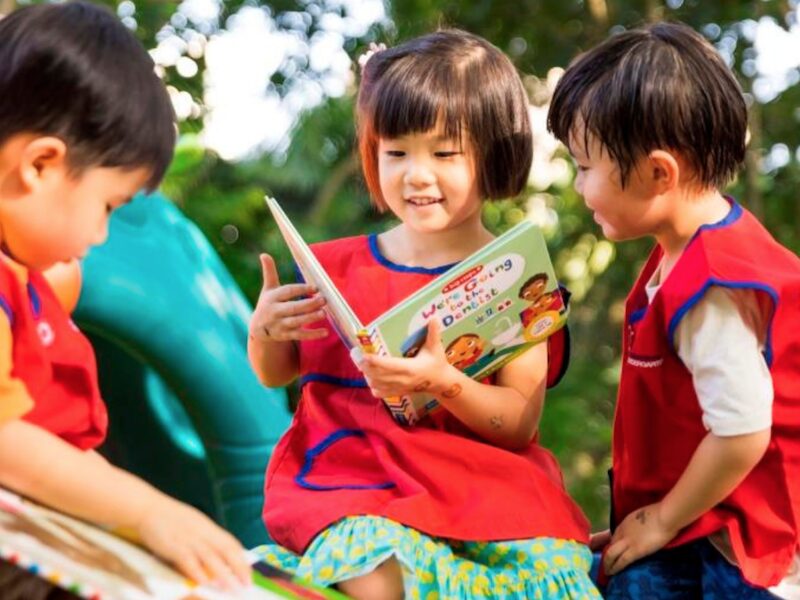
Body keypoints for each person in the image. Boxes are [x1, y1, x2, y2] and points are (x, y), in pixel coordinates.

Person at [248, 29, 600, 599]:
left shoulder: (516, 276)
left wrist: (446, 383)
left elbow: (517, 425)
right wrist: (265, 330)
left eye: (443, 153)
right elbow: (276, 372)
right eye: (396, 152)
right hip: (354, 487)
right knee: (376, 566)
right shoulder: (335, 266)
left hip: (489, 496)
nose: (416, 174)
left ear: (494, 156)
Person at [0, 2, 250, 594]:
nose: (100, 236)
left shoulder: (32, 281)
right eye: (108, 205)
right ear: (40, 164)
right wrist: (147, 512)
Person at [547, 20, 800, 599]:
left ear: (660, 172)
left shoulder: (710, 288)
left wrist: (663, 520)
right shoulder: (688, 251)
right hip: (706, 522)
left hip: (741, 557)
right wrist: (657, 511)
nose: (580, 186)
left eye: (585, 167)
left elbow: (741, 433)